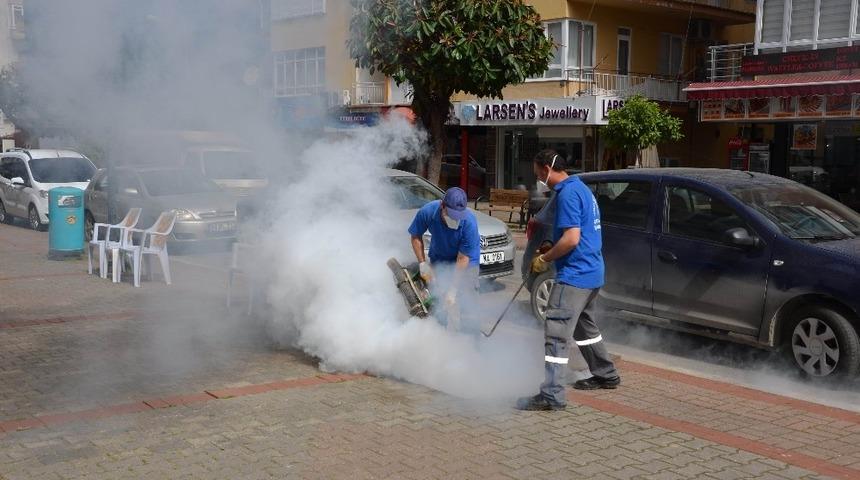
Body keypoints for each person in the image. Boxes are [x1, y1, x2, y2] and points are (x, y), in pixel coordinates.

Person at [516, 150, 620, 412]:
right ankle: (606, 373)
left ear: (545, 169)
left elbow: (572, 239)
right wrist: (551, 243)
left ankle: (551, 395)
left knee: (556, 334)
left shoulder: (568, 194)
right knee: (584, 328)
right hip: (592, 272)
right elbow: (575, 232)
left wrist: (546, 258)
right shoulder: (581, 189)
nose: (537, 176)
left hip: (575, 275)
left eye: (537, 170)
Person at [408, 187, 480, 330]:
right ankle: (440, 335)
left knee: (467, 298)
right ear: (442, 206)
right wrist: (422, 263)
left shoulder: (469, 222)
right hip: (440, 258)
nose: (455, 219)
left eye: (458, 216)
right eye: (451, 214)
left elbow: (462, 259)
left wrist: (453, 290)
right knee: (438, 300)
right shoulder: (428, 212)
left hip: (466, 261)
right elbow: (415, 235)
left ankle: (471, 337)